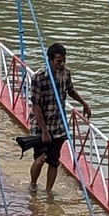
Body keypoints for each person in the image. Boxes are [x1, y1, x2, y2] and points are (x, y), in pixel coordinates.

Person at [28, 43, 90, 193]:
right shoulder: (38, 78)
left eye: (63, 61)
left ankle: (48, 190)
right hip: (41, 125)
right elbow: (35, 106)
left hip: (58, 125)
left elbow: (70, 90)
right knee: (40, 158)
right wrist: (44, 131)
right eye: (58, 61)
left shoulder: (66, 73)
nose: (61, 64)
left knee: (54, 161)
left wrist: (84, 103)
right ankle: (33, 183)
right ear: (50, 60)